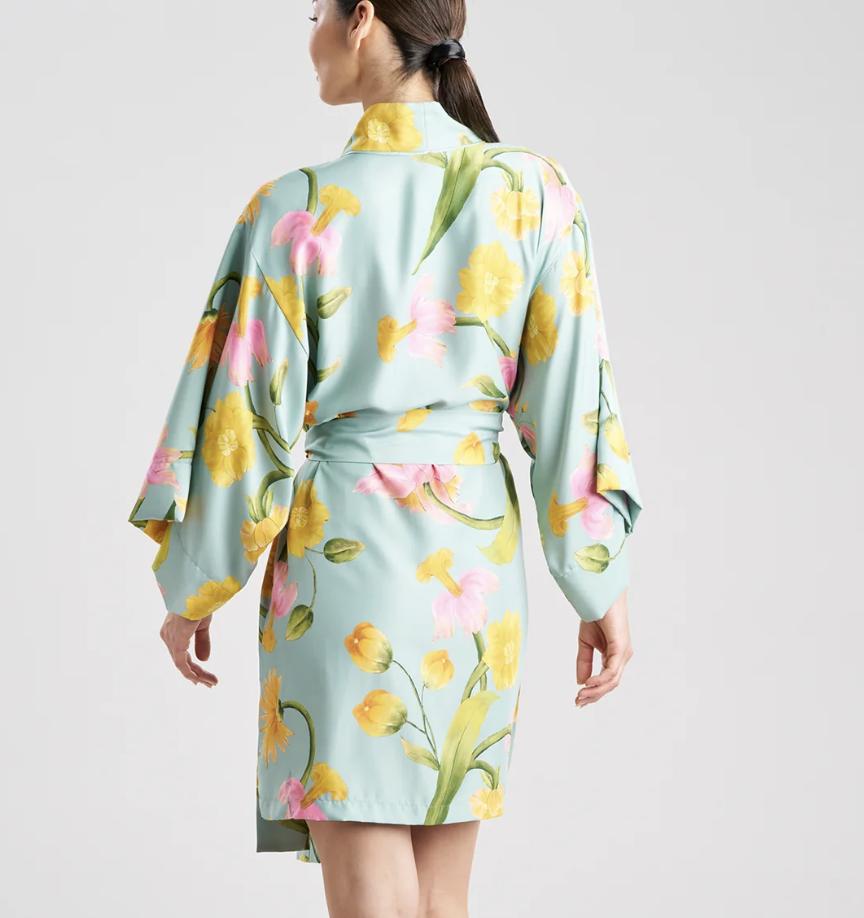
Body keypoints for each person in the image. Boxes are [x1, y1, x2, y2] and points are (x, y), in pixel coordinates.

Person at [126, 0, 643, 914]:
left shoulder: (295, 209)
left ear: (362, 17)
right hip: (474, 576)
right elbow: (573, 409)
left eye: (315, 12)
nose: (311, 35)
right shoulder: (534, 192)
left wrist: (195, 584)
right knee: (439, 901)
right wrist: (598, 584)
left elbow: (244, 424)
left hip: (346, 567)